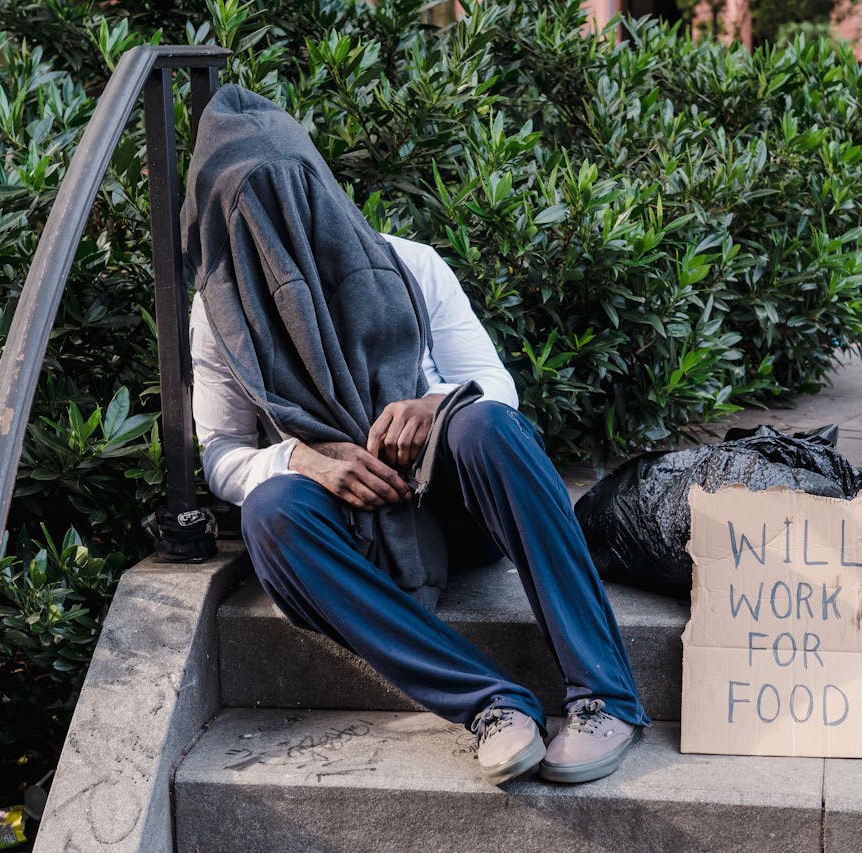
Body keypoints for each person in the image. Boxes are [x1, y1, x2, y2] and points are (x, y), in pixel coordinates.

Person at [184, 85, 649, 786]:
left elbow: (498, 386)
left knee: (487, 423)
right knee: (269, 510)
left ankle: (606, 696)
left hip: (454, 509)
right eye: (246, 206)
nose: (271, 224)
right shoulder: (218, 316)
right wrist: (303, 458)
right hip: (351, 525)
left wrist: (434, 404)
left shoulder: (408, 261)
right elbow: (220, 456)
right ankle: (492, 703)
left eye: (287, 195)